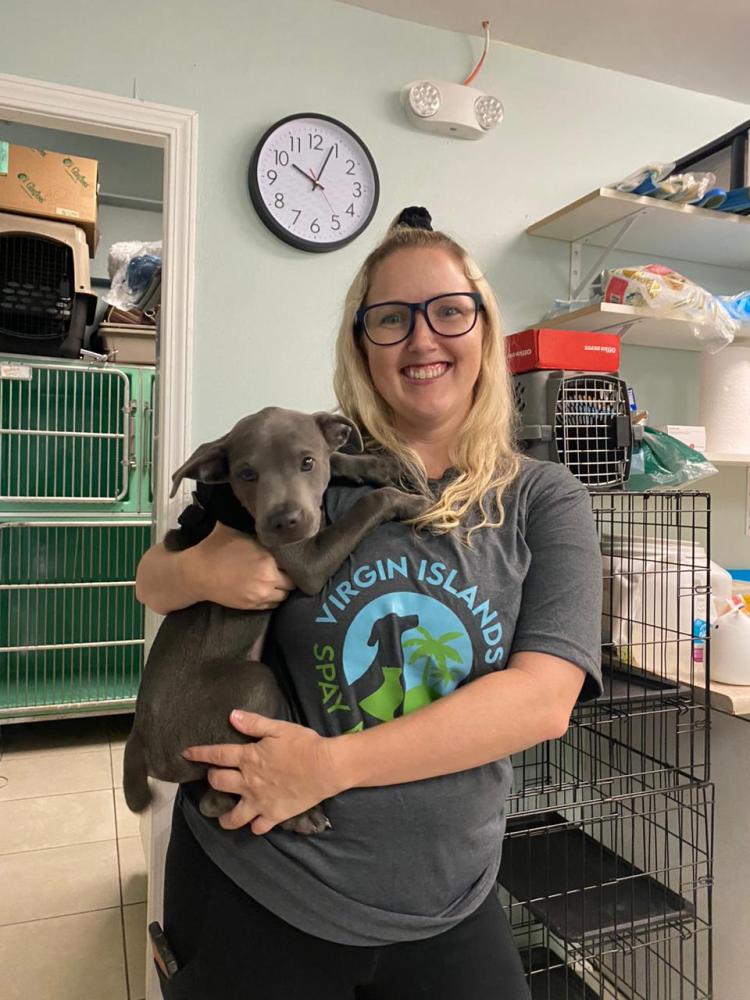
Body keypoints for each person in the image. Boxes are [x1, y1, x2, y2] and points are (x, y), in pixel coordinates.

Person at [136, 206, 603, 999]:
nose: (423, 339)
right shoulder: (306, 461)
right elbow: (154, 576)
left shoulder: (543, 497)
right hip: (258, 878)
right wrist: (204, 572)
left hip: (448, 902)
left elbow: (543, 700)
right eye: (391, 319)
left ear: (484, 329)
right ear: (362, 346)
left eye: (449, 311)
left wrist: (326, 767)